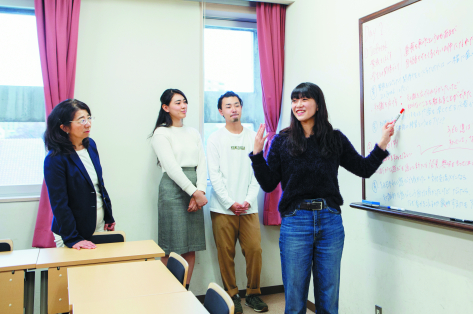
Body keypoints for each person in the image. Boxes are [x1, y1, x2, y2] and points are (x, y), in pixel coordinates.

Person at [249, 82, 394, 314]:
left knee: (328, 297)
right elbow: (268, 184)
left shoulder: (334, 139)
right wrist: (257, 154)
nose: (298, 104)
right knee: (295, 300)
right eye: (294, 100)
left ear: (318, 104)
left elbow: (363, 168)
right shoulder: (282, 141)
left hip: (330, 221)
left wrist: (382, 144)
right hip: (296, 222)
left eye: (304, 99)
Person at [207, 91, 268, 314]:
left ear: (241, 108)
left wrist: (247, 201)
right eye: (228, 106)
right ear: (221, 111)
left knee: (254, 250)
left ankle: (253, 294)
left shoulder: (254, 137)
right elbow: (214, 176)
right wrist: (230, 202)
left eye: (237, 105)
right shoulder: (215, 138)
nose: (233, 109)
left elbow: (257, 173)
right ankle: (232, 296)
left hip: (248, 207)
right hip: (222, 208)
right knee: (225, 253)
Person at [151, 88, 208, 290]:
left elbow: (202, 162)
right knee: (171, 247)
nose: (183, 106)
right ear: (166, 107)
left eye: (184, 101)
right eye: (177, 102)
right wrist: (194, 192)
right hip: (174, 189)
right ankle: (168, 293)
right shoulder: (161, 133)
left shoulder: (193, 132)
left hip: (195, 188)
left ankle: (184, 290)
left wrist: (200, 190)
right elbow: (172, 168)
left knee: (190, 246)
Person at [44, 99, 116, 249]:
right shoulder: (55, 159)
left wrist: (108, 215)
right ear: (64, 127)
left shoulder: (90, 145)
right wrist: (73, 238)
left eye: (89, 118)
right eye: (81, 120)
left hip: (96, 225)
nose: (88, 124)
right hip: (71, 234)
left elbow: (98, 185)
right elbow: (59, 203)